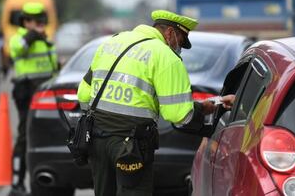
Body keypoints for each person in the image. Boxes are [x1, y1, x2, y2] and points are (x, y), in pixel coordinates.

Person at [77, 10, 217, 196]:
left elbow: (83, 95)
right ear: (170, 33)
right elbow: (179, 115)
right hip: (131, 145)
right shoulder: (166, 57)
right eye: (181, 41)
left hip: (96, 140)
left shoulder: (111, 42)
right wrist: (205, 109)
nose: (179, 47)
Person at [8, 2, 58, 196]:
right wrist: (32, 34)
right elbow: (17, 51)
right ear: (25, 22)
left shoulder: (45, 40)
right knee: (24, 137)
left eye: (40, 21)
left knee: (45, 138)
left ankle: (43, 182)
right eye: (33, 21)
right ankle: (16, 183)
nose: (38, 25)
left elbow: (53, 68)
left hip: (45, 94)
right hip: (26, 94)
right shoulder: (18, 39)